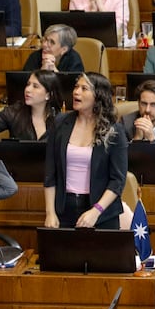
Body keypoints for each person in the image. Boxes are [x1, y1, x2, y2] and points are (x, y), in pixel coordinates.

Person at [44, 72, 128, 229]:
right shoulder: (61, 122)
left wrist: (96, 211)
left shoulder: (114, 130)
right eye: (76, 87)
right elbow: (50, 173)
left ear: (98, 95)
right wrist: (50, 212)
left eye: (84, 88)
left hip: (101, 213)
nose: (76, 92)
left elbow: (118, 180)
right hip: (64, 209)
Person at [0, 69, 63, 141]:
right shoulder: (14, 112)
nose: (28, 90)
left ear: (48, 95)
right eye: (28, 84)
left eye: (35, 86)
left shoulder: (58, 118)